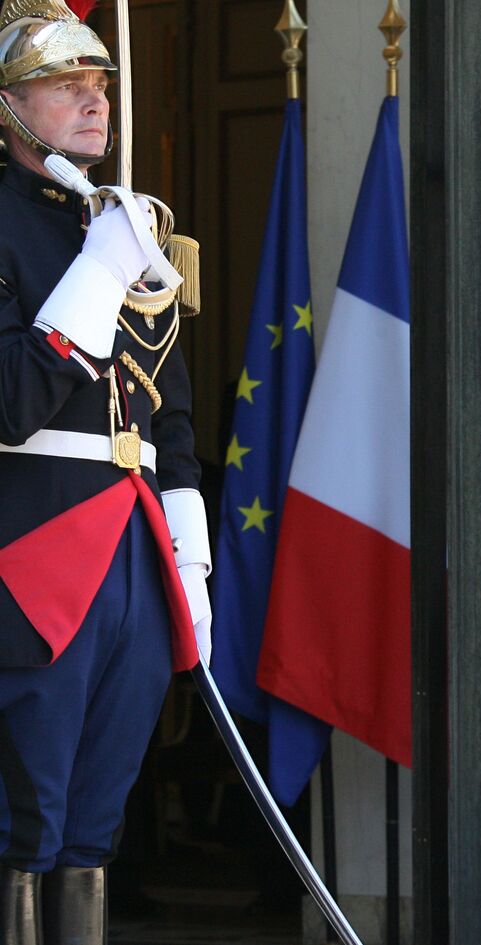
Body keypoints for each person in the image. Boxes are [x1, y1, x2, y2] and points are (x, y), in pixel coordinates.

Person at [0, 2, 211, 940]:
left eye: (100, 86)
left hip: (134, 550)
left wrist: (192, 560)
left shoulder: (128, 225)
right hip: (36, 552)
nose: (94, 102)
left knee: (96, 825)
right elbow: (12, 401)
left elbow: (174, 415)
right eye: (64, 85)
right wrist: (93, 275)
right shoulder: (30, 231)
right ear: (10, 107)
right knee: (25, 819)